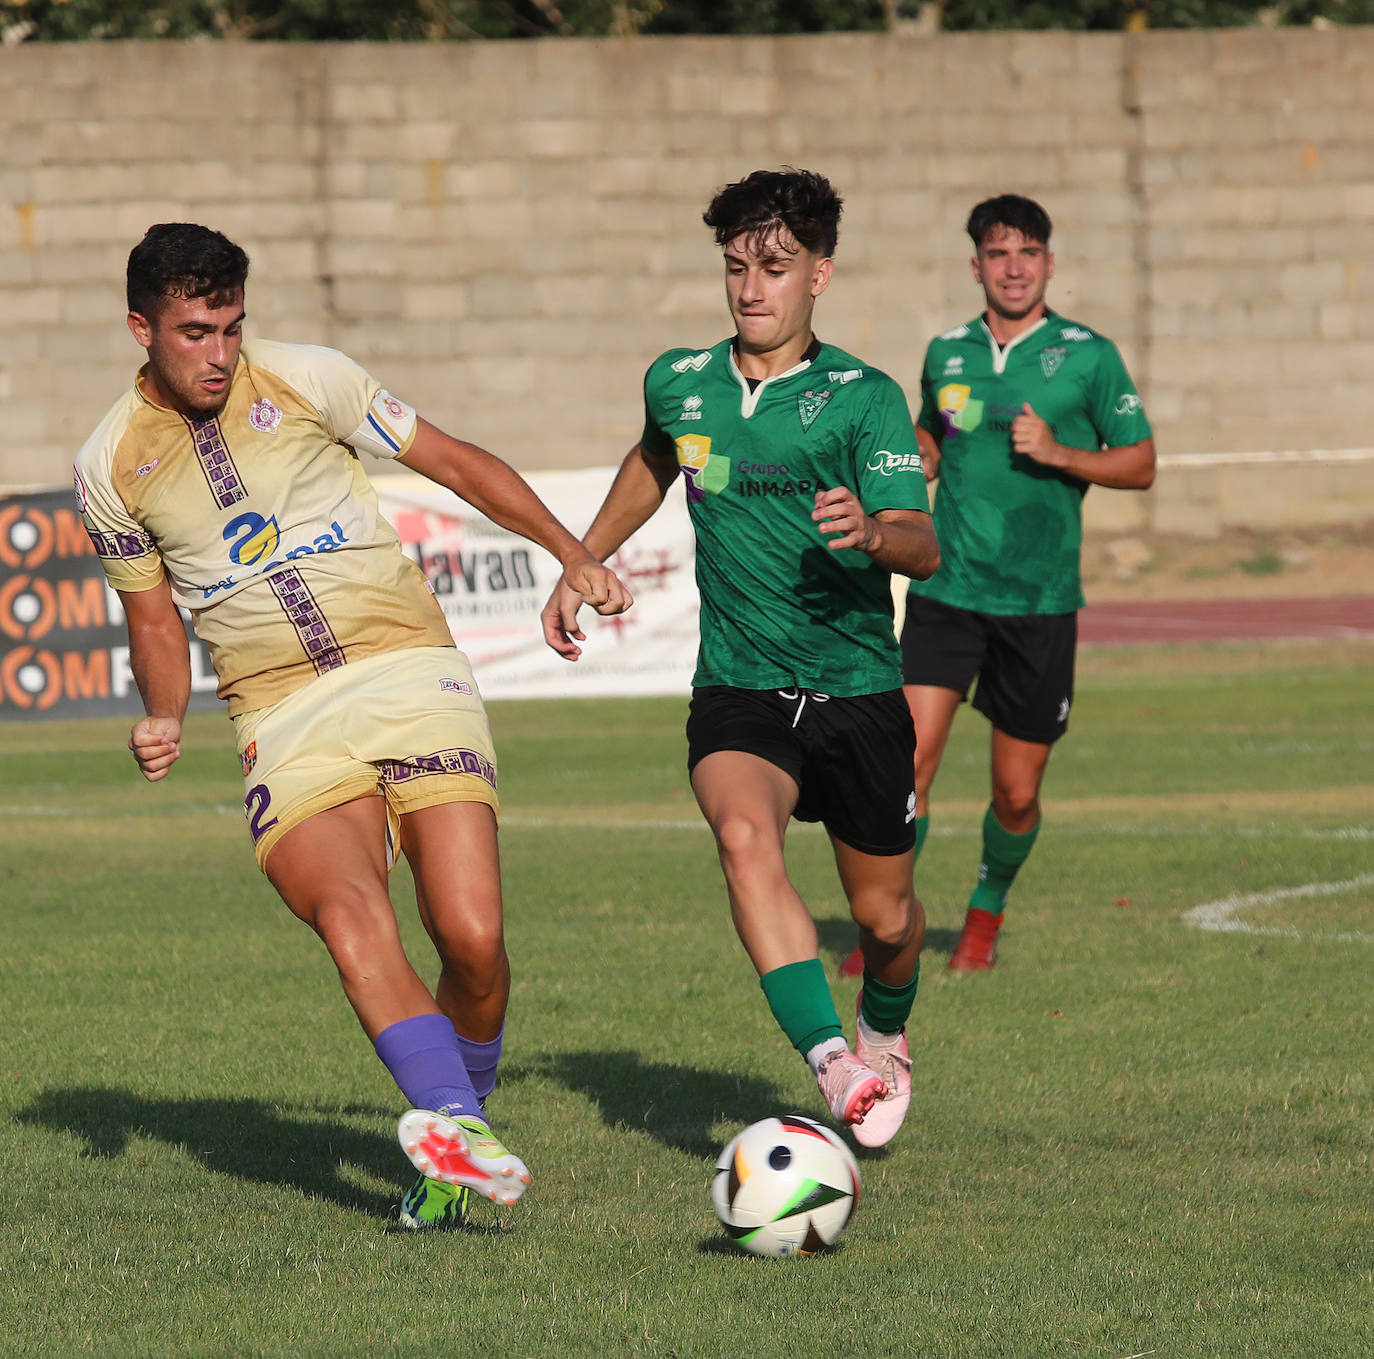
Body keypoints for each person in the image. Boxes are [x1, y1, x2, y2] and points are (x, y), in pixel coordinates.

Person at [74, 223, 632, 1228]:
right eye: (196, 332)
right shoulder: (108, 465)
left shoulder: (312, 377)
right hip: (280, 717)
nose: (220, 354)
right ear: (140, 329)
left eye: (233, 328)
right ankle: (457, 1133)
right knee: (346, 914)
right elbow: (151, 618)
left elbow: (456, 461)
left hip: (407, 668)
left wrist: (569, 551)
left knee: (472, 939)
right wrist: (162, 712)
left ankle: (458, 1129)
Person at [541, 169, 940, 1149]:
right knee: (741, 839)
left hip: (858, 690)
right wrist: (583, 557)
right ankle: (830, 1062)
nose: (751, 288)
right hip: (740, 687)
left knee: (887, 922)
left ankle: (883, 1035)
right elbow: (654, 458)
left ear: (820, 276)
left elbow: (922, 544)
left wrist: (873, 533)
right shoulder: (680, 380)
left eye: (775, 267)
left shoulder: (864, 399)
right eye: (736, 268)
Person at [843, 193, 1155, 976]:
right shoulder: (946, 353)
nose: (1012, 267)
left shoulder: (1088, 354)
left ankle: (984, 914)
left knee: (1015, 793)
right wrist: (915, 458)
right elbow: (934, 436)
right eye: (997, 253)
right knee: (905, 765)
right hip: (949, 590)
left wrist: (1060, 454)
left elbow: (1142, 461)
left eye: (1027, 253)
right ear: (975, 264)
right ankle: (890, 924)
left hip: (1039, 602)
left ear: (1048, 263)